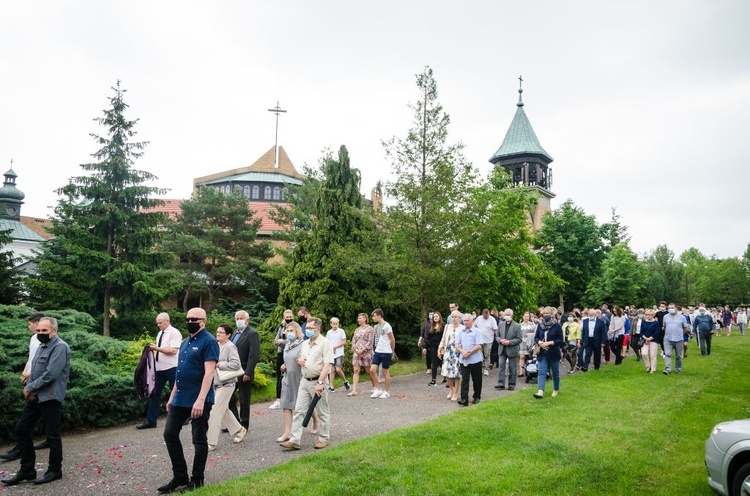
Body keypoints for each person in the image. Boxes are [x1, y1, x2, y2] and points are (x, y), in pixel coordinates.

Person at [2, 317, 70, 487]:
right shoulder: (41, 345)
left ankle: (55, 471)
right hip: (37, 396)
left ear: (54, 331)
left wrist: (30, 388)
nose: (40, 334)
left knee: (52, 435)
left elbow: (51, 374)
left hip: (51, 396)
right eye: (38, 331)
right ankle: (27, 470)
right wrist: (31, 385)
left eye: (44, 331)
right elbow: (37, 370)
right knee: (21, 429)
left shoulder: (60, 347)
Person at [158, 308, 219, 493]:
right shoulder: (185, 342)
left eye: (195, 319)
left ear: (204, 321)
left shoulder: (209, 341)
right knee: (169, 434)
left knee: (198, 439)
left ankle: (197, 479)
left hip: (199, 399)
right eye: (188, 318)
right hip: (181, 397)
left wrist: (200, 400)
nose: (190, 321)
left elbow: (209, 373)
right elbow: (180, 372)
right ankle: (180, 476)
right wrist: (172, 395)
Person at [280, 317, 334, 451]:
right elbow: (302, 357)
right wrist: (301, 361)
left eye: (311, 328)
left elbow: (327, 365)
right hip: (304, 381)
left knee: (322, 411)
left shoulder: (325, 343)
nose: (308, 331)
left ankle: (323, 438)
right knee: (299, 410)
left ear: (318, 329)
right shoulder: (305, 344)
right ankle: (294, 440)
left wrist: (320, 383)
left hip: (318, 381)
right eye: (307, 328)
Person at [1, 313, 48, 462]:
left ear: (37, 323)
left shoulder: (47, 340)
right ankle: (21, 448)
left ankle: (25, 449)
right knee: (29, 418)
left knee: (34, 417)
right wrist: (26, 371)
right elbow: (31, 358)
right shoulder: (33, 339)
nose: (29, 327)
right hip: (32, 379)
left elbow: (43, 363)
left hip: (39, 382)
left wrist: (31, 377)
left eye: (30, 324)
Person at [137, 312, 182, 430]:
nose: (158, 325)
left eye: (160, 323)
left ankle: (181, 418)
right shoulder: (159, 334)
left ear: (167, 321)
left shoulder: (175, 332)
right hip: (160, 368)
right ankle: (151, 421)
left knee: (177, 393)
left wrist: (157, 348)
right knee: (154, 394)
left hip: (172, 367)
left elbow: (173, 351)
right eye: (157, 323)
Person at [207, 324, 245, 451]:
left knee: (214, 410)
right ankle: (239, 430)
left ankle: (211, 442)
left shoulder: (230, 346)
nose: (218, 334)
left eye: (221, 332)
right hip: (216, 383)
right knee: (223, 410)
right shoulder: (216, 345)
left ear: (228, 335)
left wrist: (219, 365)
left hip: (227, 383)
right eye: (217, 332)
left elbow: (236, 364)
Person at [228, 310, 259, 430]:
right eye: (237, 318)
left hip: (244, 370)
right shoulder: (235, 333)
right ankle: (234, 422)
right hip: (233, 371)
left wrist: (248, 372)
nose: (239, 321)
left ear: (247, 320)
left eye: (241, 318)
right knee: (229, 397)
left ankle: (244, 423)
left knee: (244, 399)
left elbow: (254, 355)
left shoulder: (252, 333)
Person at [276, 322, 304, 443]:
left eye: (291, 331)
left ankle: (316, 421)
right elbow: (287, 359)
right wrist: (284, 365)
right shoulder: (287, 345)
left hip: (299, 378)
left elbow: (307, 359)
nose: (289, 333)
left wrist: (303, 361)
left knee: (301, 406)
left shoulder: (303, 345)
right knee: (286, 405)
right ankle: (288, 432)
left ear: (297, 332)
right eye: (287, 331)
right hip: (287, 378)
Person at [533, 307, 564, 399]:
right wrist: (540, 343)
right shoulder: (540, 325)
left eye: (548, 314)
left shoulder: (557, 326)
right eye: (545, 314)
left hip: (553, 352)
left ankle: (555, 389)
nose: (546, 315)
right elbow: (536, 337)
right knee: (541, 371)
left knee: (555, 372)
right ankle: (540, 391)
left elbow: (560, 340)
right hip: (542, 352)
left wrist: (549, 343)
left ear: (552, 315)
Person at [455, 314, 483, 406]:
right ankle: (464, 399)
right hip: (464, 360)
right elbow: (457, 345)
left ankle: (477, 396)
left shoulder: (477, 331)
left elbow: (479, 345)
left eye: (467, 320)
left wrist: (469, 352)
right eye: (464, 321)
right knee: (465, 379)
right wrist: (463, 352)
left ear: (472, 321)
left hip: (475, 359)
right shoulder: (461, 332)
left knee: (477, 379)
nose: (465, 322)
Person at [270, 309, 294, 410]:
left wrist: (282, 341)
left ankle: (292, 397)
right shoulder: (281, 327)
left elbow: (293, 340)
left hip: (291, 353)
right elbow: (275, 340)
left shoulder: (294, 327)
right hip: (281, 353)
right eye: (286, 317)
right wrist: (280, 341)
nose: (288, 319)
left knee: (291, 374)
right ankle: (278, 399)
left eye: (290, 317)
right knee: (279, 376)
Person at [348, 313, 377, 397]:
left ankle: (375, 386)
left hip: (366, 352)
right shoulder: (357, 329)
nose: (358, 319)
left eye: (360, 318)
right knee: (356, 370)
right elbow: (354, 340)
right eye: (358, 318)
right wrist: (356, 349)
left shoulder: (370, 329)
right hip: (357, 352)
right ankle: (354, 390)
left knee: (369, 371)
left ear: (365, 319)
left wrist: (363, 350)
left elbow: (370, 341)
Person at [369, 308, 395, 399]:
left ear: (379, 316)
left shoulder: (387, 326)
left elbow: (392, 339)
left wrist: (392, 351)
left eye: (374, 316)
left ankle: (387, 392)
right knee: (372, 370)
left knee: (385, 372)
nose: (373, 318)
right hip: (378, 351)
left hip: (386, 351)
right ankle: (378, 389)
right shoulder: (376, 327)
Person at [494, 309, 523, 390]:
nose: (506, 316)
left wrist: (509, 342)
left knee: (512, 368)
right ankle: (501, 383)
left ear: (512, 316)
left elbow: (519, 339)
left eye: (508, 314)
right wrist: (500, 340)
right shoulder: (501, 324)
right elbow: (497, 336)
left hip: (512, 349)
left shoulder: (517, 326)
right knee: (501, 367)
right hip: (502, 349)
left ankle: (512, 384)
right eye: (505, 314)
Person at [438, 310, 463, 401]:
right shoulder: (447, 327)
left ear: (459, 319)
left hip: (457, 352)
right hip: (448, 352)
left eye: (456, 317)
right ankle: (451, 390)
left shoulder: (462, 328)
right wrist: (440, 348)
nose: (454, 319)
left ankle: (456, 392)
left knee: (456, 373)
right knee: (447, 372)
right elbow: (443, 338)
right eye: (452, 317)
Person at [662, 303, 689, 375]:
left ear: (676, 308)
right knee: (667, 354)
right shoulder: (665, 317)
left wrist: (680, 334)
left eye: (672, 308)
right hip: (668, 338)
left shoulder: (682, 317)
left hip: (679, 339)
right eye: (669, 308)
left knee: (678, 355)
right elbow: (664, 327)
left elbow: (685, 328)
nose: (671, 309)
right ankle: (668, 369)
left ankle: (678, 369)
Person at [326, 318, 350, 392]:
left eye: (336, 324)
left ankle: (345, 381)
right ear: (331, 324)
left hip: (339, 353)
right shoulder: (329, 332)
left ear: (338, 324)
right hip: (331, 353)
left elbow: (343, 342)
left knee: (338, 369)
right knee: (332, 370)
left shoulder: (341, 331)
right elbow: (327, 342)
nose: (335, 325)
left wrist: (335, 346)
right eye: (333, 324)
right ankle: (331, 387)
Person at [474, 308, 498, 377]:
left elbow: (495, 329)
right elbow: (474, 327)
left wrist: (496, 337)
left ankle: (486, 369)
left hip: (488, 340)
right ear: (483, 314)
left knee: (487, 355)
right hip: (479, 340)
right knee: (479, 354)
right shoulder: (478, 319)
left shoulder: (492, 319)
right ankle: (481, 368)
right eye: (485, 316)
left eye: (487, 315)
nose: (486, 317)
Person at [426, 312, 444, 386]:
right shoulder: (431, 326)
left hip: (441, 346)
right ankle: (433, 380)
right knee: (434, 363)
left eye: (437, 316)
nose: (435, 317)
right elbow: (428, 337)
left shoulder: (443, 326)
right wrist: (426, 347)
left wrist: (443, 347)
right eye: (434, 316)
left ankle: (446, 377)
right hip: (433, 346)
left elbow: (444, 337)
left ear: (439, 317)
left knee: (442, 362)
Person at [640, 309, 661, 373]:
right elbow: (641, 332)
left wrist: (649, 339)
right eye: (647, 315)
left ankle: (653, 369)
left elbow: (657, 332)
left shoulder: (656, 323)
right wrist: (645, 338)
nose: (648, 316)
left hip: (653, 340)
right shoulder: (643, 322)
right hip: (644, 340)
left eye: (650, 315)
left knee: (653, 355)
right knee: (644, 353)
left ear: (653, 315)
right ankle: (648, 366)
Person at [518, 312, 536, 377]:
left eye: (527, 316)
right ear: (523, 317)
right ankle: (521, 372)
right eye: (525, 316)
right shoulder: (519, 325)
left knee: (530, 357)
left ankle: (530, 370)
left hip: (530, 343)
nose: (526, 318)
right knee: (522, 357)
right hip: (522, 343)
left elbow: (535, 333)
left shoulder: (532, 325)